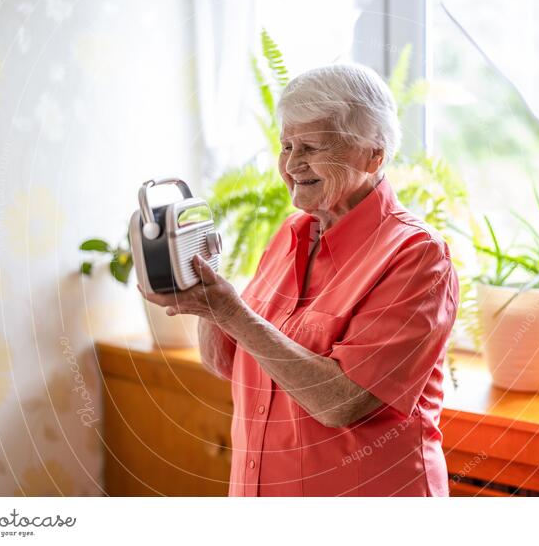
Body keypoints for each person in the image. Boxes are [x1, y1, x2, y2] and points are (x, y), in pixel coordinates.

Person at [140, 63, 459, 496]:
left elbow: (342, 402)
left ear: (373, 154)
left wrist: (232, 312)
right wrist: (206, 299)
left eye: (310, 147)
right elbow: (228, 363)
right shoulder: (290, 234)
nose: (291, 164)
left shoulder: (417, 256)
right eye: (286, 145)